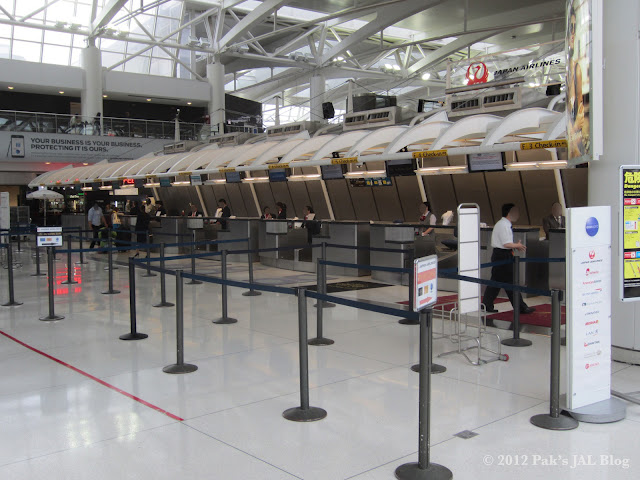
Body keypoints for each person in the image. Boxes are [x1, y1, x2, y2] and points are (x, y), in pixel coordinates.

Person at [482, 203, 535, 315]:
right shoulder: (504, 225)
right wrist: (517, 245)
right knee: (510, 281)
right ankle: (520, 307)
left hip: (500, 255)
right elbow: (506, 244)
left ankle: (487, 304)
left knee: (496, 281)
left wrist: (515, 246)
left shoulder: (502, 224)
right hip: (502, 255)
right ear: (509, 213)